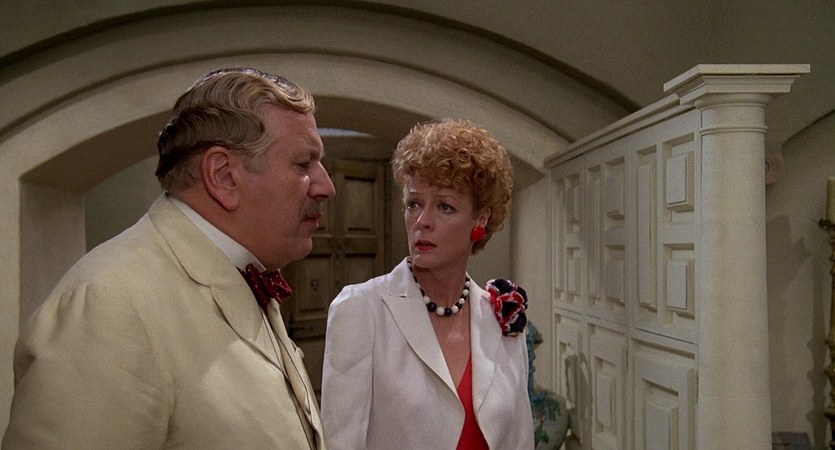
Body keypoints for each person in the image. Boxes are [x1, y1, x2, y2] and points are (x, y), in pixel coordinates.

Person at [3, 67, 335, 449]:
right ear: (224, 176)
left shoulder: (243, 272)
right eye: (303, 164)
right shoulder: (108, 307)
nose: (326, 186)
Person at [321, 118, 534, 449]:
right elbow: (340, 443)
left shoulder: (501, 315)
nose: (422, 221)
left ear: (481, 220)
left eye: (444, 206)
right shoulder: (361, 309)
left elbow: (520, 440)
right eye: (414, 204)